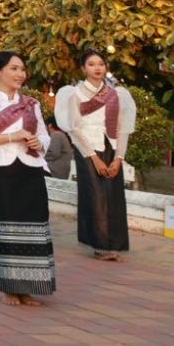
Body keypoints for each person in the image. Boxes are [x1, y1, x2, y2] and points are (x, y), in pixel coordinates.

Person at [0, 51, 55, 306]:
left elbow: (44, 136)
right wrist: (11, 137)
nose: (20, 74)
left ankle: (30, 287)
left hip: (30, 168)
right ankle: (11, 288)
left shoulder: (31, 103)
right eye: (14, 68)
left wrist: (39, 142)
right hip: (0, 170)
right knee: (8, 229)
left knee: (35, 228)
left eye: (22, 69)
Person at [55, 49, 136, 260]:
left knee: (114, 196)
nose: (97, 68)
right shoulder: (74, 94)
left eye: (101, 64)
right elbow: (74, 129)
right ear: (83, 68)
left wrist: (119, 157)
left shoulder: (117, 94)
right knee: (95, 195)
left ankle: (115, 246)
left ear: (106, 67)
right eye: (91, 64)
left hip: (111, 146)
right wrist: (94, 157)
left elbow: (123, 127)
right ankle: (99, 246)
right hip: (87, 149)